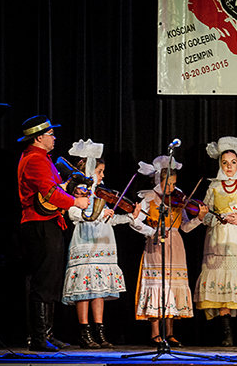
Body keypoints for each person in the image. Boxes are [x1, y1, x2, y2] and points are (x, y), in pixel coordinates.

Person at [61, 139, 154, 349]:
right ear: (90, 169)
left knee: (99, 290)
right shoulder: (78, 190)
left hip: (104, 242)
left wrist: (130, 216)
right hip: (85, 241)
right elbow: (74, 213)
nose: (102, 175)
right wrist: (97, 214)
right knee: (84, 290)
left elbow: (110, 220)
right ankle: (84, 332)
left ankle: (99, 331)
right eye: (100, 171)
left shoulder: (101, 192)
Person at [17, 115, 90, 351]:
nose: (54, 137)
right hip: (39, 224)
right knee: (43, 280)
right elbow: (49, 193)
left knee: (51, 279)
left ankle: (46, 333)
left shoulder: (42, 158)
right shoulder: (35, 160)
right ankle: (39, 337)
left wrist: (71, 192)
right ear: (39, 138)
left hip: (48, 222)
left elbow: (56, 189)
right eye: (50, 134)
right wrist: (75, 202)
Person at [184, 137, 237, 347]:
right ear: (220, 164)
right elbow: (206, 216)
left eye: (233, 162)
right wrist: (211, 217)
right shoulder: (213, 186)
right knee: (222, 284)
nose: (229, 167)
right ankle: (227, 334)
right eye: (225, 163)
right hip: (218, 240)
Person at [133, 155, 208, 348]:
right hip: (156, 244)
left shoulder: (178, 199)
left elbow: (185, 227)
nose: (172, 188)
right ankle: (155, 333)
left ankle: (170, 333)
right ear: (159, 180)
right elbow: (135, 222)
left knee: (172, 287)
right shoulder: (149, 197)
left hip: (175, 244)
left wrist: (199, 219)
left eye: (174, 184)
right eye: (169, 184)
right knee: (157, 286)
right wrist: (152, 232)